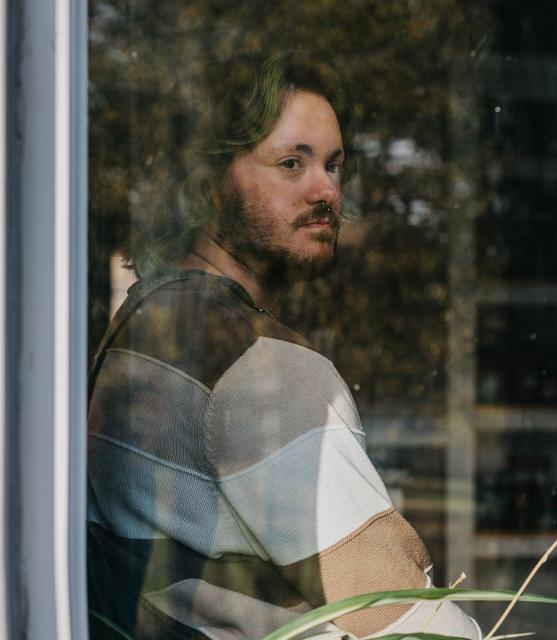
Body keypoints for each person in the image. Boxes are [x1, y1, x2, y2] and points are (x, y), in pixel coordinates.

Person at [87, 51, 481, 640]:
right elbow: (408, 625)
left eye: (333, 164)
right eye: (291, 163)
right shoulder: (256, 364)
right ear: (207, 184)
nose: (326, 190)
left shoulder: (144, 325)